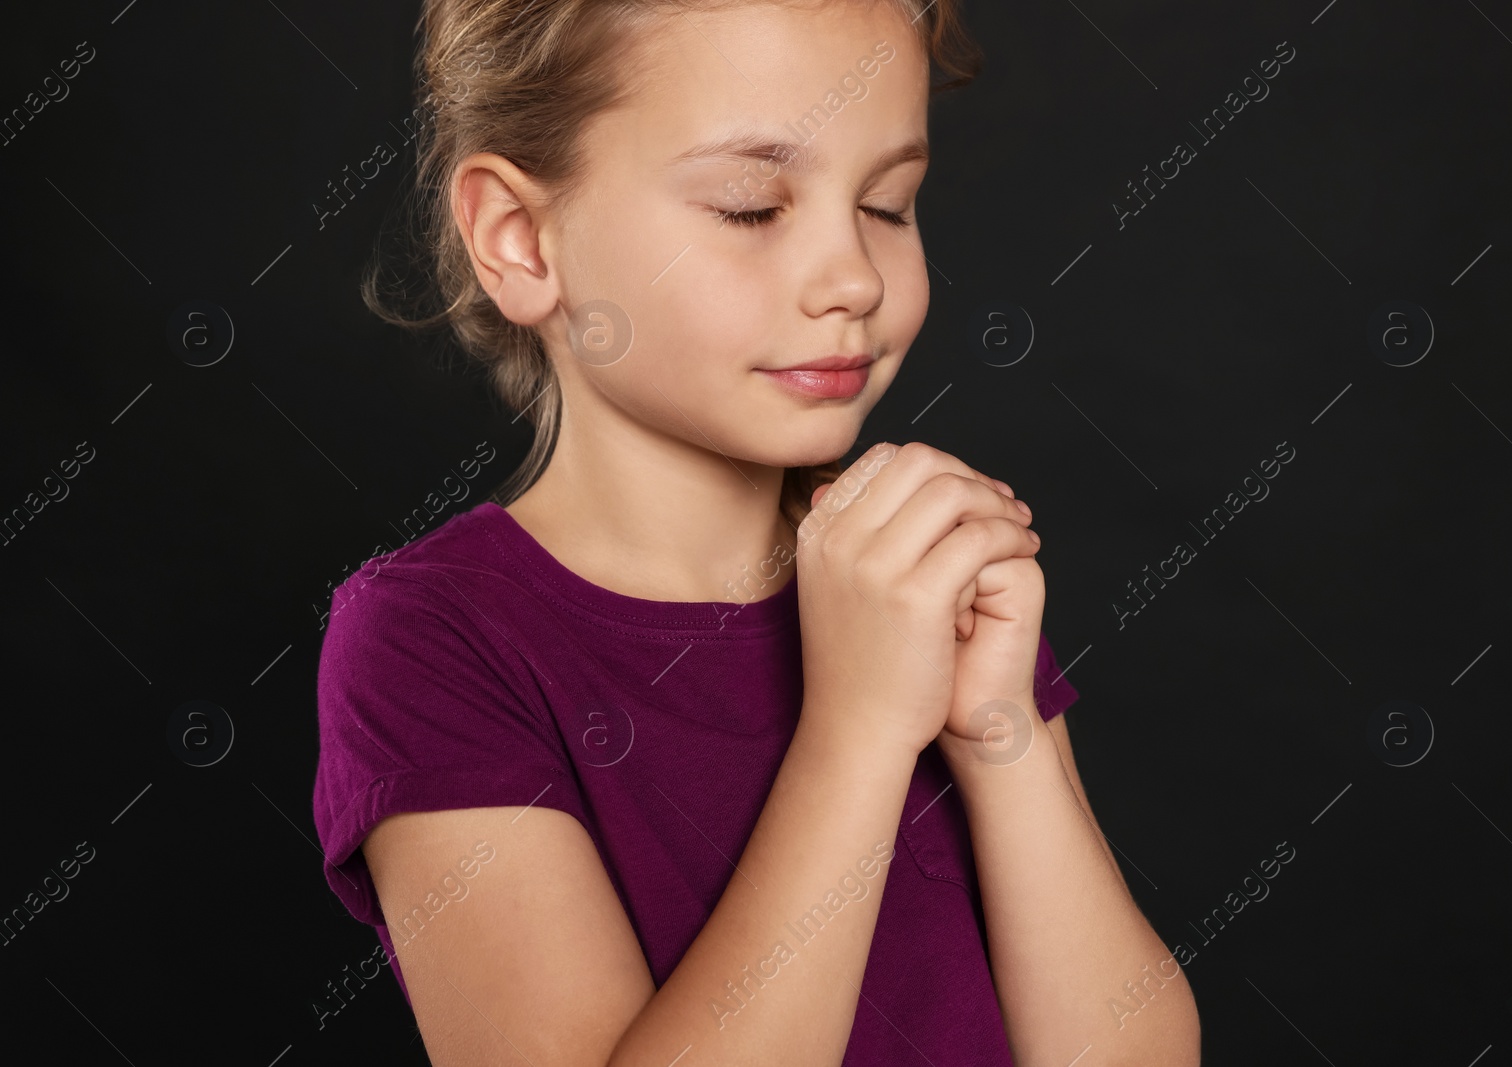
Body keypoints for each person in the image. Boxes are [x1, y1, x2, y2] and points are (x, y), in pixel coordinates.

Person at [312, 0, 1201, 1063]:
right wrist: (860, 730)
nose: (854, 280)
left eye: (887, 204)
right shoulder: (435, 639)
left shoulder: (906, 566)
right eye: (749, 206)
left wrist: (996, 728)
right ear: (520, 238)